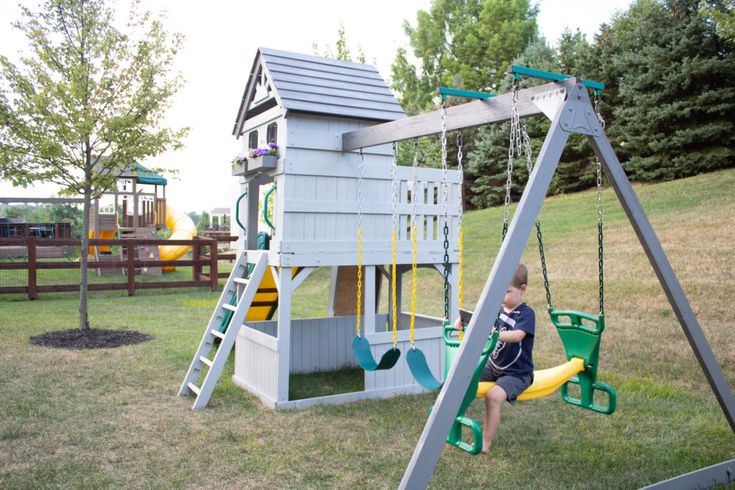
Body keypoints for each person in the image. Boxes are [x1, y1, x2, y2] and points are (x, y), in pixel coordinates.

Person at [456, 263, 535, 454]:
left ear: (522, 289)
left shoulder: (526, 313)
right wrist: (464, 323)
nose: (502, 297)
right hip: (493, 366)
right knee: (463, 377)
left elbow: (517, 336)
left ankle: (485, 441)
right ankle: (451, 422)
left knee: (493, 397)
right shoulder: (498, 309)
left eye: (506, 292)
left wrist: (494, 334)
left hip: (517, 373)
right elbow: (480, 323)